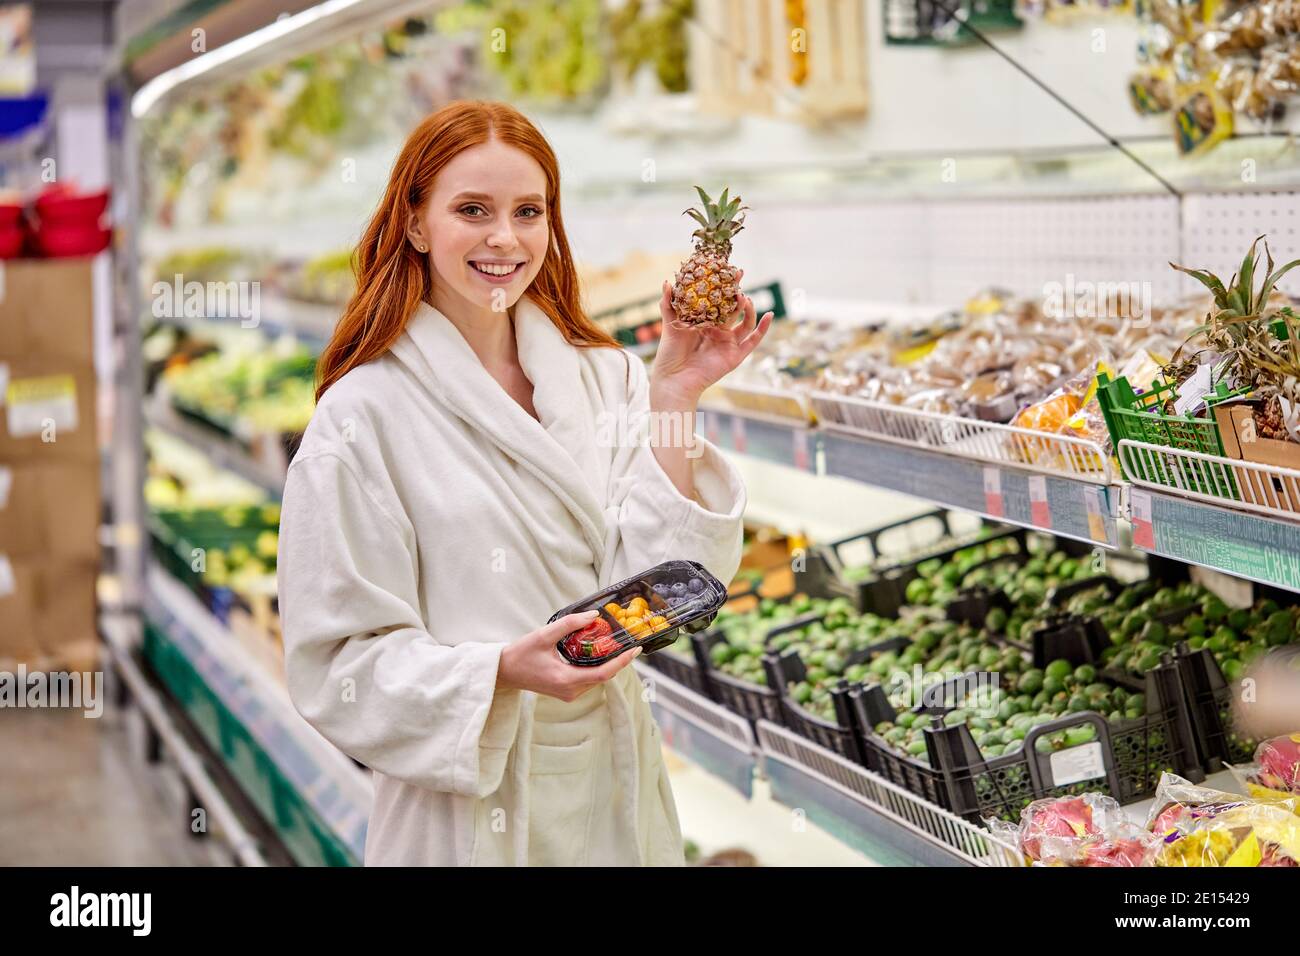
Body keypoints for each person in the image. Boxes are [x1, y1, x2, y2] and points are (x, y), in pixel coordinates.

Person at [277, 100, 772, 866]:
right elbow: (333, 665)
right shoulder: (362, 417)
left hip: (617, 791)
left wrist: (673, 392)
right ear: (413, 224)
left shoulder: (602, 376)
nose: (504, 238)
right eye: (472, 209)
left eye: (528, 211)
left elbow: (659, 580)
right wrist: (497, 672)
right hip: (472, 812)